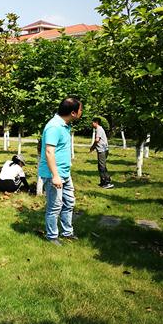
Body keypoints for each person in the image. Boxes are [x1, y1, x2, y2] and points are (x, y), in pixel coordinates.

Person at [38, 97, 83, 246]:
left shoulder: (64, 125)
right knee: (55, 206)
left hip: (64, 173)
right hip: (54, 175)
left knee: (69, 202)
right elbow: (49, 152)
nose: (81, 112)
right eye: (80, 109)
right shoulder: (54, 127)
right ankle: (52, 237)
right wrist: (55, 176)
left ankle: (67, 232)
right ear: (73, 113)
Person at [90, 117, 113, 189]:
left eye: (92, 122)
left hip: (102, 150)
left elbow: (97, 140)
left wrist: (92, 147)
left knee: (102, 167)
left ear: (96, 122)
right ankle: (103, 182)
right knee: (102, 166)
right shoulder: (99, 129)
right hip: (103, 150)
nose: (91, 124)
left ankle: (106, 183)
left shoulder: (99, 129)